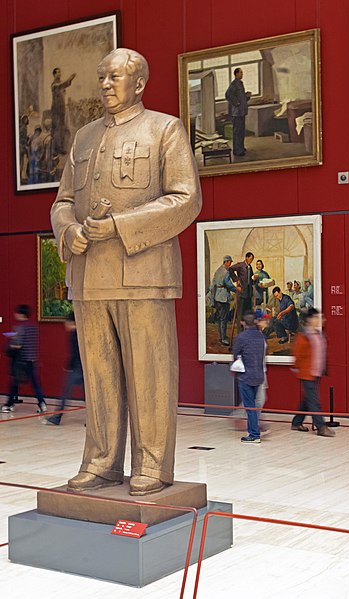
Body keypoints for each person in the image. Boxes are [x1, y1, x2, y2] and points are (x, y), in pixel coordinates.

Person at [51, 48, 202, 496]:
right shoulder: (83, 138)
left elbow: (185, 199)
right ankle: (101, 462)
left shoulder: (164, 129)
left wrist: (119, 225)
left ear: (139, 83)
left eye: (114, 76)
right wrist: (68, 231)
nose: (105, 84)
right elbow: (61, 202)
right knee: (98, 377)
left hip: (143, 273)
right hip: (89, 277)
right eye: (101, 77)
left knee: (150, 374)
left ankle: (153, 465)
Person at [291, 309, 335, 437]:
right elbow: (298, 355)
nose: (322, 320)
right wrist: (298, 368)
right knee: (314, 400)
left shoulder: (319, 334)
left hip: (317, 372)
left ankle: (296, 421)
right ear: (310, 319)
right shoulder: (303, 335)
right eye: (319, 317)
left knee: (308, 398)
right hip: (306, 373)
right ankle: (321, 427)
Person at [1, 305, 47, 413]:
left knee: (14, 383)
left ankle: (8, 404)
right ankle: (42, 404)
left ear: (21, 314)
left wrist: (10, 344)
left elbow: (18, 344)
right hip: (32, 359)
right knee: (35, 384)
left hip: (21, 360)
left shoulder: (20, 327)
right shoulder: (33, 326)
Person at [44, 313, 83, 426]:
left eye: (67, 322)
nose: (65, 325)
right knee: (87, 396)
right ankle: (94, 420)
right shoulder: (80, 334)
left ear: (73, 323)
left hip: (76, 368)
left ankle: (57, 417)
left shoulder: (74, 335)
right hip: (82, 368)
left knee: (65, 393)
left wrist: (69, 366)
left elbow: (75, 353)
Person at [232, 312, 265, 443]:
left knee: (249, 406)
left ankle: (254, 434)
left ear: (243, 323)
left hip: (246, 376)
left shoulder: (242, 337)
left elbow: (235, 354)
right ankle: (254, 430)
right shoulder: (260, 336)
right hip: (258, 375)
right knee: (254, 406)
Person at [209, 255, 238, 346]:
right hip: (223, 298)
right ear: (226, 262)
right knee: (223, 319)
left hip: (217, 297)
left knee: (221, 318)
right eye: (230, 262)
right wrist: (237, 289)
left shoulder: (218, 270)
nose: (230, 264)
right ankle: (223, 338)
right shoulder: (226, 271)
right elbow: (229, 284)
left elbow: (213, 284)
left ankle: (222, 336)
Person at [225, 67, 252, 157]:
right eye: (241, 72)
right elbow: (228, 95)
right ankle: (237, 150)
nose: (242, 74)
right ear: (236, 74)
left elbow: (240, 97)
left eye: (242, 72)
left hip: (241, 112)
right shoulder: (234, 84)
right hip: (237, 113)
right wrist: (236, 103)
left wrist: (246, 96)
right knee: (237, 131)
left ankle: (241, 147)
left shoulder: (240, 83)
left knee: (241, 131)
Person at [51, 68, 76, 155]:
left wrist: (69, 80)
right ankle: (56, 148)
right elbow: (62, 85)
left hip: (63, 109)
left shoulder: (60, 84)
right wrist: (69, 79)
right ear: (54, 75)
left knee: (65, 128)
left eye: (59, 72)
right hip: (57, 110)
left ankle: (63, 147)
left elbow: (64, 85)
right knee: (58, 129)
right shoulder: (54, 85)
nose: (59, 74)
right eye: (57, 73)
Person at [229, 252, 255, 329]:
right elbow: (231, 269)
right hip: (241, 293)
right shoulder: (240, 265)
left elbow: (250, 279)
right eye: (250, 259)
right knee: (240, 314)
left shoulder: (250, 267)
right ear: (246, 258)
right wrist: (236, 280)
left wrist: (254, 279)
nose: (251, 261)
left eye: (252, 260)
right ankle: (240, 333)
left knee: (247, 314)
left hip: (248, 294)